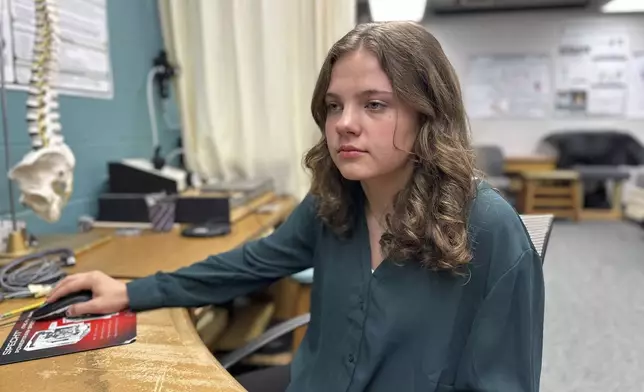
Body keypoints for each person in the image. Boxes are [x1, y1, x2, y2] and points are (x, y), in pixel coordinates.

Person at [47, 21, 544, 392]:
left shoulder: (490, 229)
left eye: (374, 104)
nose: (344, 124)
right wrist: (131, 293)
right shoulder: (336, 200)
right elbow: (250, 263)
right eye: (334, 105)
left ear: (427, 113)